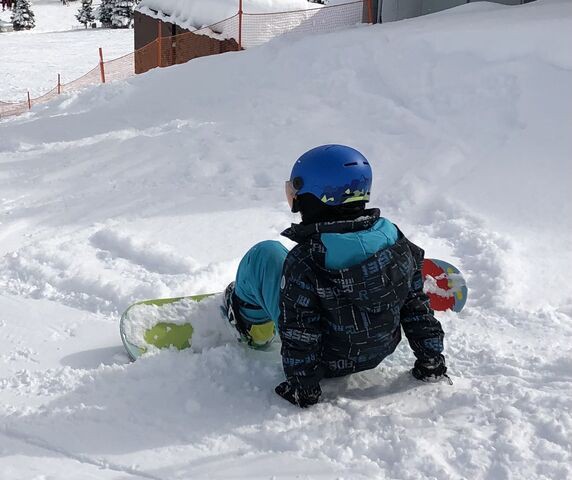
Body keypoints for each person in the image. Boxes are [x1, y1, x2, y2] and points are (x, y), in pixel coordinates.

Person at [222, 144, 448, 408]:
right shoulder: (394, 239)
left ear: (312, 195)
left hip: (325, 360)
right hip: (378, 350)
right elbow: (416, 306)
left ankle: (251, 326)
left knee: (265, 254)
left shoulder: (307, 259)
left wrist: (303, 388)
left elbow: (300, 331)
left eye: (295, 189)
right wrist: (431, 359)